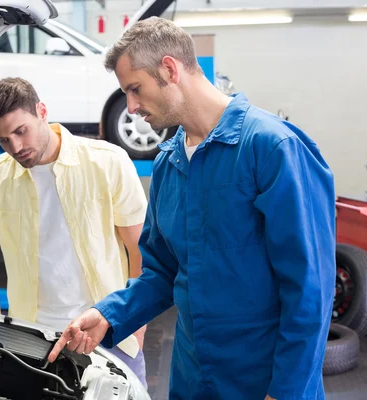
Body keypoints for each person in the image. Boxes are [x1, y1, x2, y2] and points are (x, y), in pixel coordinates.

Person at [48, 16, 336, 400]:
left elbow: (309, 290)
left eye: (135, 89)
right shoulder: (169, 164)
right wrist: (107, 315)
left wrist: (285, 392)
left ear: (169, 68)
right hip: (192, 376)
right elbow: (162, 273)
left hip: (262, 379)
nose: (130, 108)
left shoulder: (272, 149)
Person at [0, 77, 149, 387]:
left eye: (20, 131)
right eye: (3, 140)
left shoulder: (107, 162)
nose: (16, 147)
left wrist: (135, 325)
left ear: (41, 111)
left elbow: (140, 249)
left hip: (109, 331)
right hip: (31, 340)